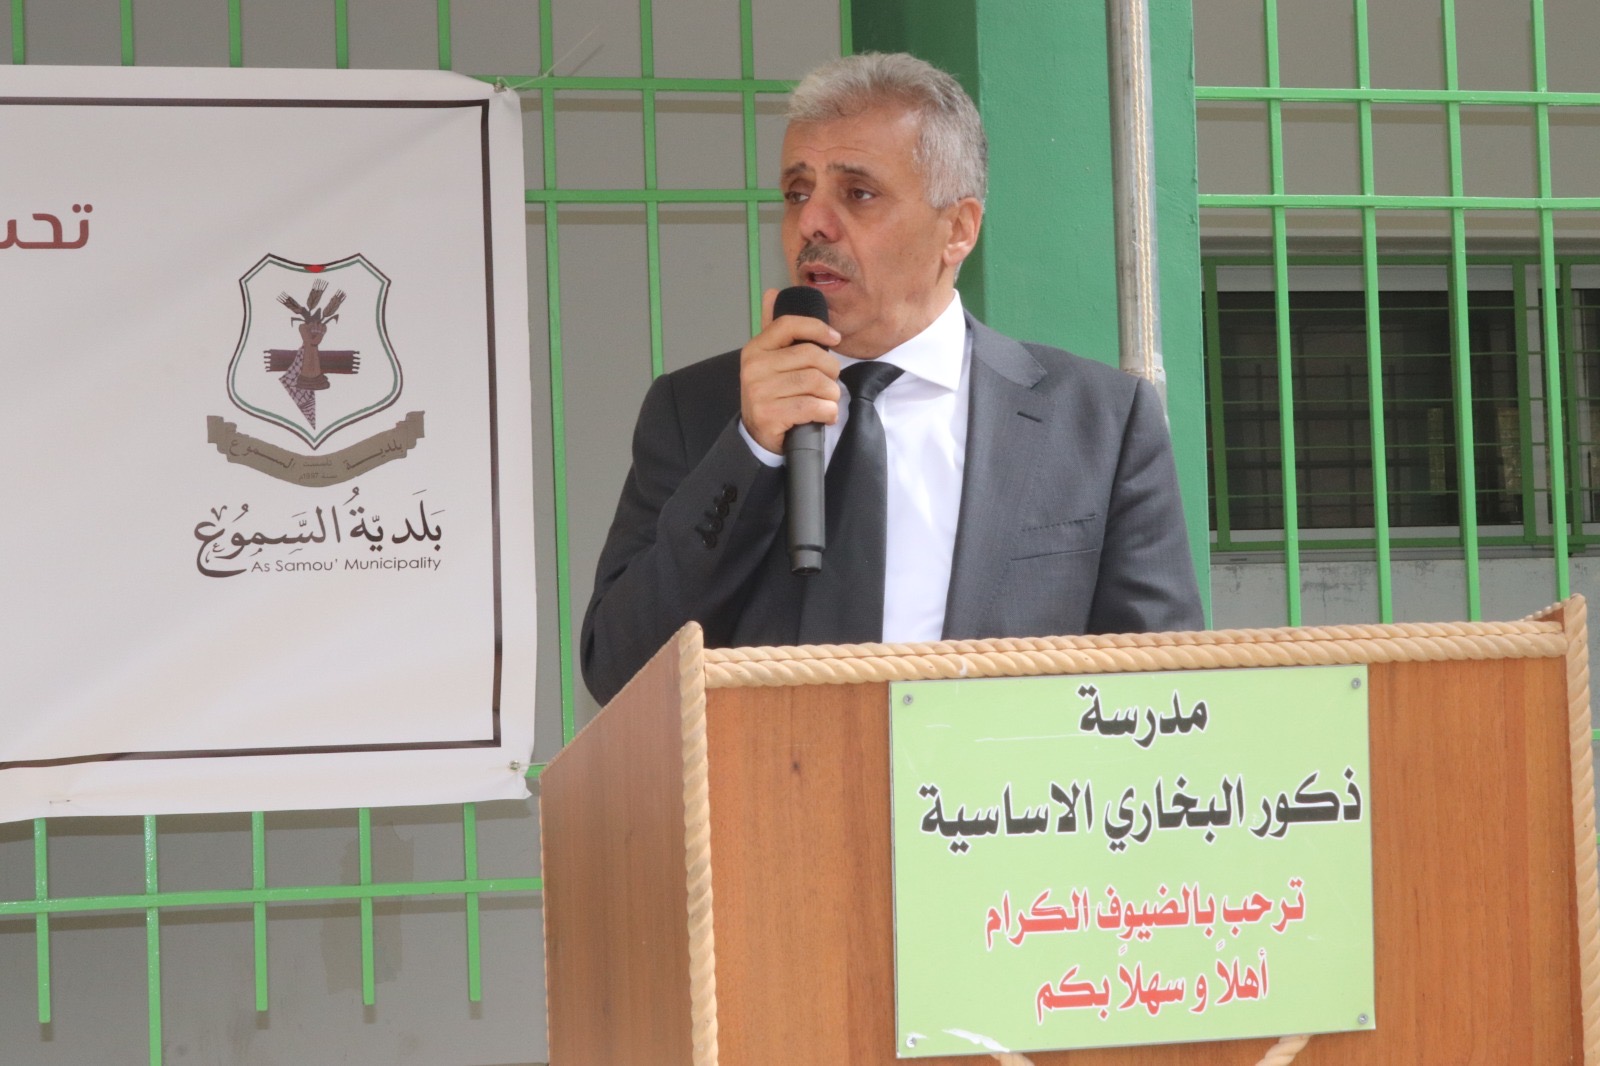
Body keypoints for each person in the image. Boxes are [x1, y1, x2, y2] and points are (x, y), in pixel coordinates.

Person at [581, 52, 1202, 705]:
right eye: (797, 192)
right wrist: (752, 449)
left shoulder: (1099, 422)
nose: (812, 223)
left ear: (957, 229)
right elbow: (619, 671)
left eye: (858, 193)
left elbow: (1163, 687)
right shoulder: (697, 410)